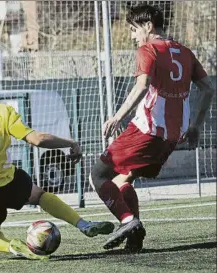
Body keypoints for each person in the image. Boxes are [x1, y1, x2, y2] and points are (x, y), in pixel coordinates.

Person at [0, 75, 114, 260]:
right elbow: (37, 139)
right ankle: (83, 224)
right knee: (39, 195)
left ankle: (12, 246)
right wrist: (69, 142)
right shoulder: (3, 111)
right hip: (9, 181)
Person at [89, 4, 214, 253]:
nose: (133, 36)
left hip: (146, 131)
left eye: (134, 30)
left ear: (148, 26)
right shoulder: (185, 52)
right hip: (171, 136)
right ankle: (135, 239)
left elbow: (142, 86)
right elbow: (208, 88)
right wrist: (196, 126)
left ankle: (127, 221)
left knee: (98, 175)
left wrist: (117, 116)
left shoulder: (148, 49)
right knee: (124, 177)